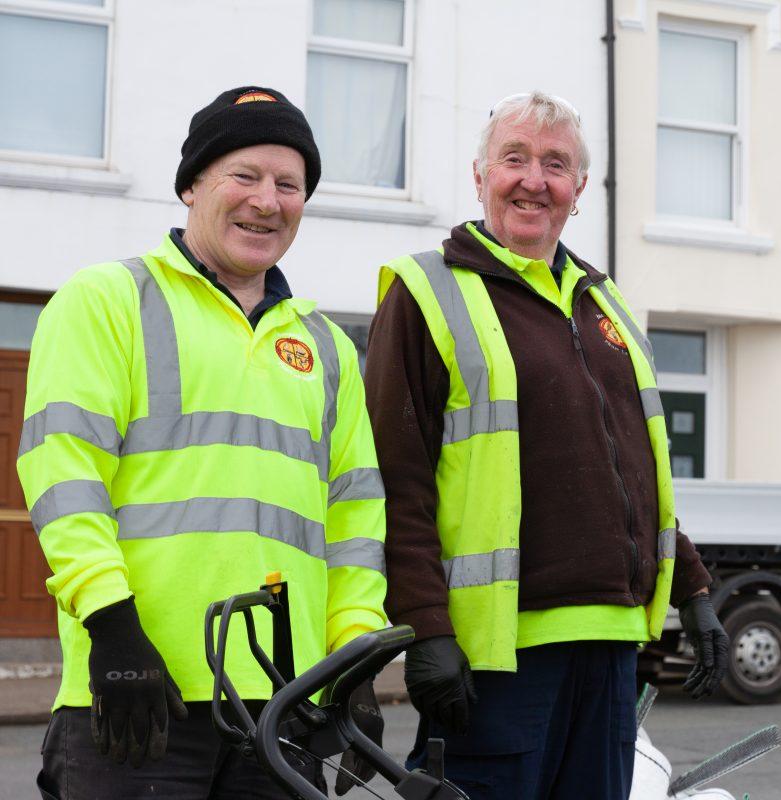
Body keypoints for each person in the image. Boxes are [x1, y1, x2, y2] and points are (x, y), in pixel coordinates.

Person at [18, 86, 388, 799]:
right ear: (191, 186)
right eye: (244, 176)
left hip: (284, 707)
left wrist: (353, 665)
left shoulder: (329, 349)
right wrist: (112, 628)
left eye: (290, 184)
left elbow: (354, 521)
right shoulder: (107, 300)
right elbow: (64, 473)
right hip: (140, 690)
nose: (268, 201)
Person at [365, 91, 731, 800]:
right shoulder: (426, 293)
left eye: (555, 165)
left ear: (579, 191)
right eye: (515, 159)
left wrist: (694, 588)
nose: (535, 180)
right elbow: (394, 481)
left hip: (612, 645)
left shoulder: (604, 304)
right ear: (480, 177)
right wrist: (425, 629)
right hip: (497, 657)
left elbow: (629, 472)